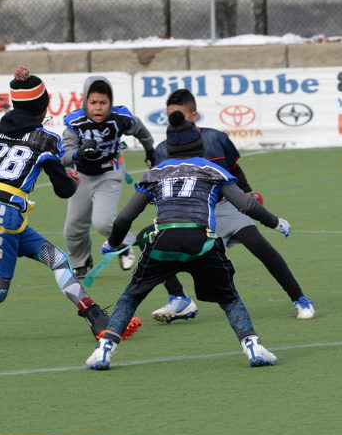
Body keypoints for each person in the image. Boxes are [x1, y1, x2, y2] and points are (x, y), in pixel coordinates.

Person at [85, 110, 288, 370]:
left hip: (163, 240)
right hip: (202, 242)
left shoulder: (155, 173)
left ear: (168, 148)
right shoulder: (212, 170)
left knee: (131, 297)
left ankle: (103, 351)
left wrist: (113, 243)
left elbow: (124, 218)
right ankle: (253, 347)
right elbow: (246, 204)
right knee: (229, 299)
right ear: (200, 145)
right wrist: (275, 222)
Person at [149, 89, 315, 323]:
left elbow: (234, 169)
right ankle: (179, 298)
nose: (174, 120)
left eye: (180, 115)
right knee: (153, 244)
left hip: (225, 205)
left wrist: (247, 192)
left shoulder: (216, 138)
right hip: (191, 212)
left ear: (194, 115)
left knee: (260, 246)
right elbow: (159, 187)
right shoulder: (161, 149)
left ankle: (299, 298)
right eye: (170, 116)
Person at [0, 66, 141, 340]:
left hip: (13, 220)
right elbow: (64, 191)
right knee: (0, 291)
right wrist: (72, 179)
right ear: (41, 108)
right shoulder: (46, 140)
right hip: (6, 215)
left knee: (58, 259)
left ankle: (97, 319)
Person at [61, 75, 155, 278]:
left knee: (103, 223)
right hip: (81, 176)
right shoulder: (75, 122)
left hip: (109, 172)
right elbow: (64, 157)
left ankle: (124, 244)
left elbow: (142, 131)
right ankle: (81, 262)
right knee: (74, 227)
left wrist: (150, 151)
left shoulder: (121, 118)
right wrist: (79, 153)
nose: (98, 108)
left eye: (103, 103)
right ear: (85, 102)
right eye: (93, 102)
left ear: (110, 102)